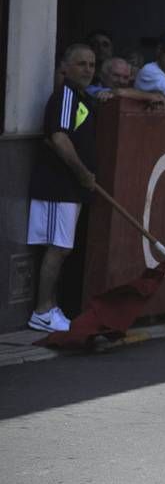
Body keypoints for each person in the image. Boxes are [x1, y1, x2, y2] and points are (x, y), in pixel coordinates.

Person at [27, 44, 97, 332]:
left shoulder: (83, 98)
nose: (88, 70)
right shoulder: (66, 96)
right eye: (81, 64)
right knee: (57, 248)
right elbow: (59, 138)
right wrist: (82, 174)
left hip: (71, 188)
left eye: (92, 65)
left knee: (61, 248)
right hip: (59, 186)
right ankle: (42, 311)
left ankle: (51, 307)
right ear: (65, 67)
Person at [87, 57, 165, 107]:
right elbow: (119, 92)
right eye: (116, 76)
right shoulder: (90, 90)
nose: (121, 81)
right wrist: (151, 96)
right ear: (103, 75)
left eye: (125, 77)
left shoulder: (132, 91)